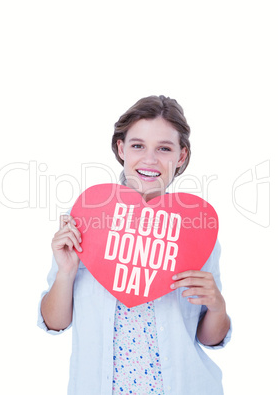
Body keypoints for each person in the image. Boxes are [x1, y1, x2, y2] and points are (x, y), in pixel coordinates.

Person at [38, 95, 232, 395]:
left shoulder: (196, 229)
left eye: (164, 148)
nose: (150, 159)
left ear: (181, 157)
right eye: (138, 145)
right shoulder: (86, 219)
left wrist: (217, 306)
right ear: (121, 148)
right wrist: (65, 273)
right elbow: (55, 322)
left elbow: (209, 338)